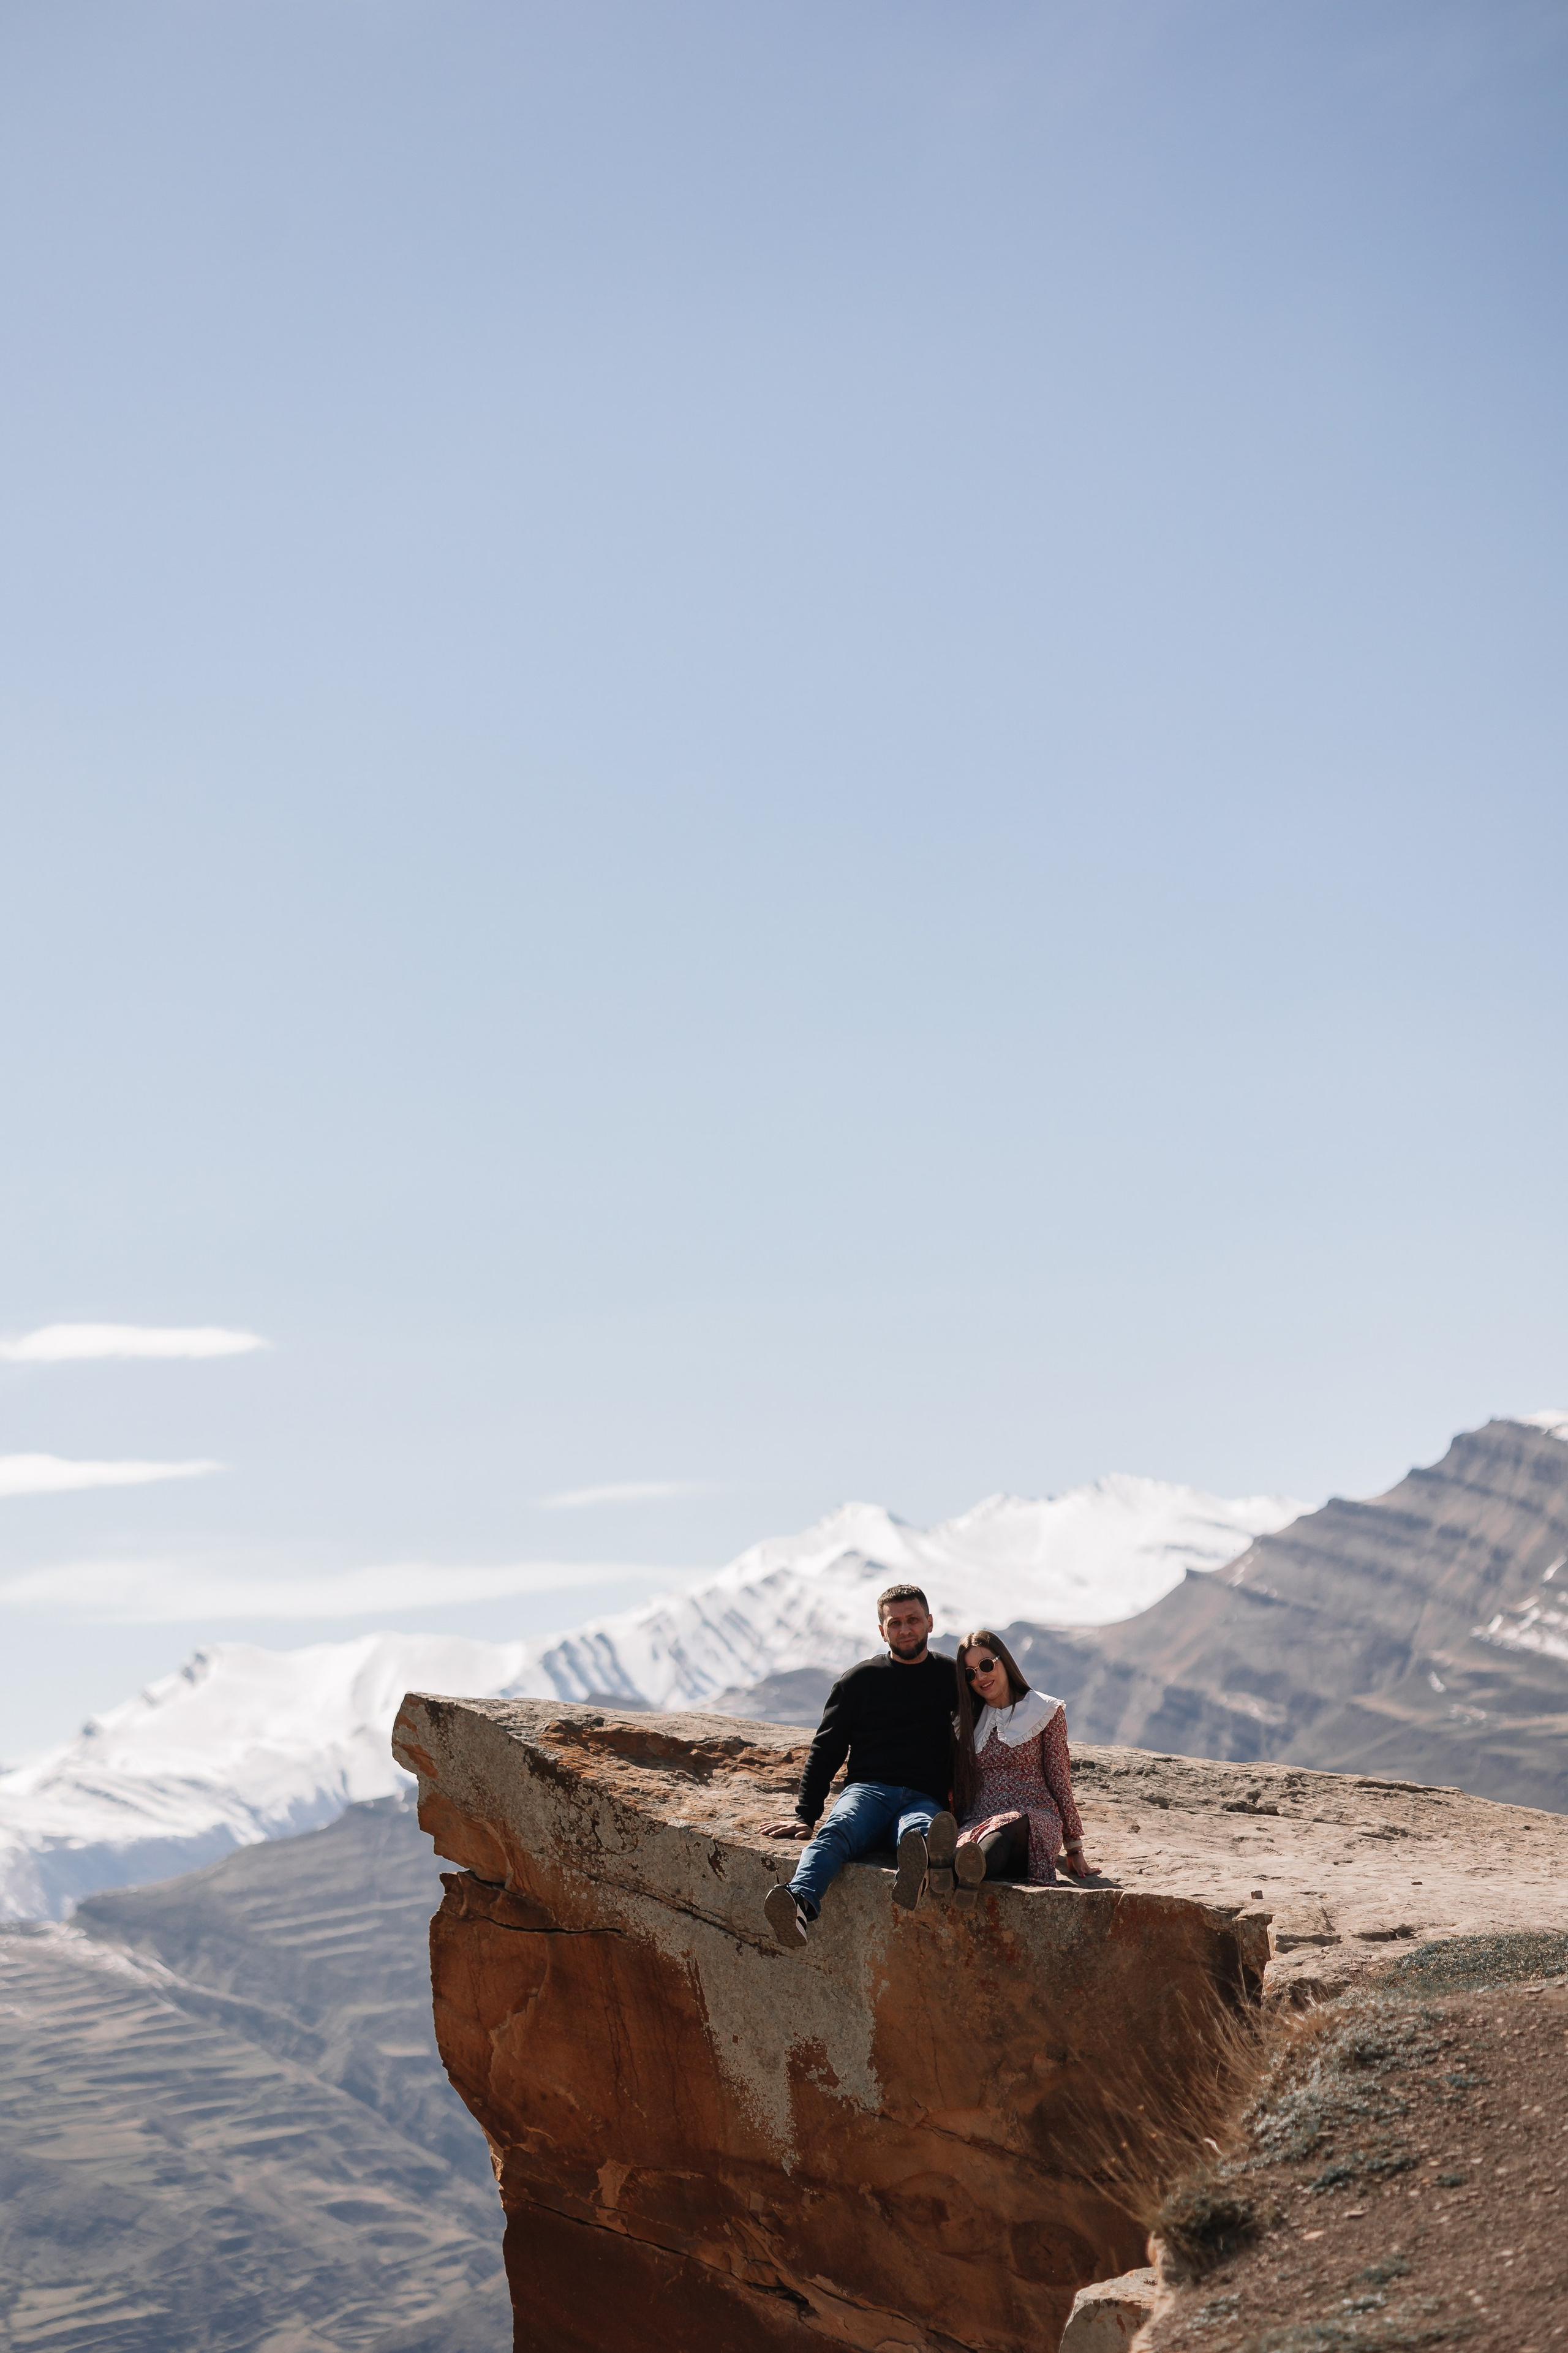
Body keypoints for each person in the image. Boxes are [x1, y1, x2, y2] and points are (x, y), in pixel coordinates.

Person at [760, 1584, 959, 1949]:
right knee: (838, 1830)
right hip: (869, 1791)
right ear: (882, 1631)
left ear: (930, 1623)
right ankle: (798, 1904)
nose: (905, 1629)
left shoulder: (953, 1676)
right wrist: (806, 1815)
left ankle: (914, 1874)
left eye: (913, 1620)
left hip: (924, 1796)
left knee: (921, 1833)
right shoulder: (859, 1681)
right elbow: (827, 1748)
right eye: (895, 1623)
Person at [950, 1630, 1096, 1897]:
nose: (980, 1677)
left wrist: (1074, 1846)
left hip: (1033, 1818)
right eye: (970, 1674)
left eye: (986, 1666)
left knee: (1006, 1832)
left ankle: (953, 1872)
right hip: (979, 1820)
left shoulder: (1044, 1710)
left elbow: (1059, 1779)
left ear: (1004, 1661)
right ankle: (952, 1870)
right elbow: (958, 1786)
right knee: (976, 1842)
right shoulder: (965, 1722)